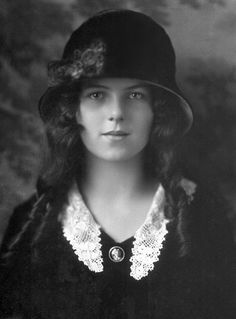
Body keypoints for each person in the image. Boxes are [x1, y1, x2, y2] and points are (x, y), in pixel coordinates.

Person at [0, 9, 235, 319]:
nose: (116, 113)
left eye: (135, 95)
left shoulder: (203, 218)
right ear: (74, 110)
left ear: (157, 111)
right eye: (97, 94)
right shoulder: (30, 226)